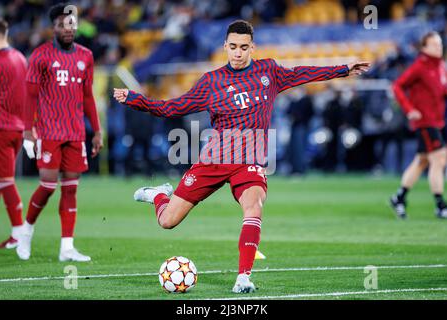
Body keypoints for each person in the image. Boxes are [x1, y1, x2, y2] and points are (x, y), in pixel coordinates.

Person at [114, 20, 370, 293]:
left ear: (252, 48)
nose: (237, 53)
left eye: (243, 47)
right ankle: (158, 196)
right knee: (167, 221)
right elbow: (171, 108)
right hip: (214, 160)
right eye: (233, 47)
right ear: (225, 46)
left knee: (254, 206)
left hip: (248, 162)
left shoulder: (268, 71)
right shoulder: (211, 82)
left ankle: (243, 278)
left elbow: (303, 73)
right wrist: (135, 99)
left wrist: (343, 69)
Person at [17, 3, 103, 261]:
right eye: (62, 24)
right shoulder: (40, 55)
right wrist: (27, 131)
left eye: (72, 24)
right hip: (48, 131)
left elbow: (88, 96)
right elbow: (30, 96)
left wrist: (97, 131)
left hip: (76, 132)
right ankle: (26, 231)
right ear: (52, 27)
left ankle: (67, 247)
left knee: (70, 188)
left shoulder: (86, 56)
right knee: (47, 185)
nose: (68, 29)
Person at [390, 31, 447, 219]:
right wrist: (409, 109)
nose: (439, 48)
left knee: (422, 161)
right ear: (424, 48)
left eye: (440, 44)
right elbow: (397, 86)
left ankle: (399, 197)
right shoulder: (420, 67)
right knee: (439, 159)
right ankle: (440, 205)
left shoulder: (441, 67)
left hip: (437, 120)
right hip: (425, 121)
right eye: (434, 45)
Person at [0, 17, 27, 249]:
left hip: (1, 128)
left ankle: (18, 233)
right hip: (17, 127)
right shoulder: (20, 58)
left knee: (5, 181)